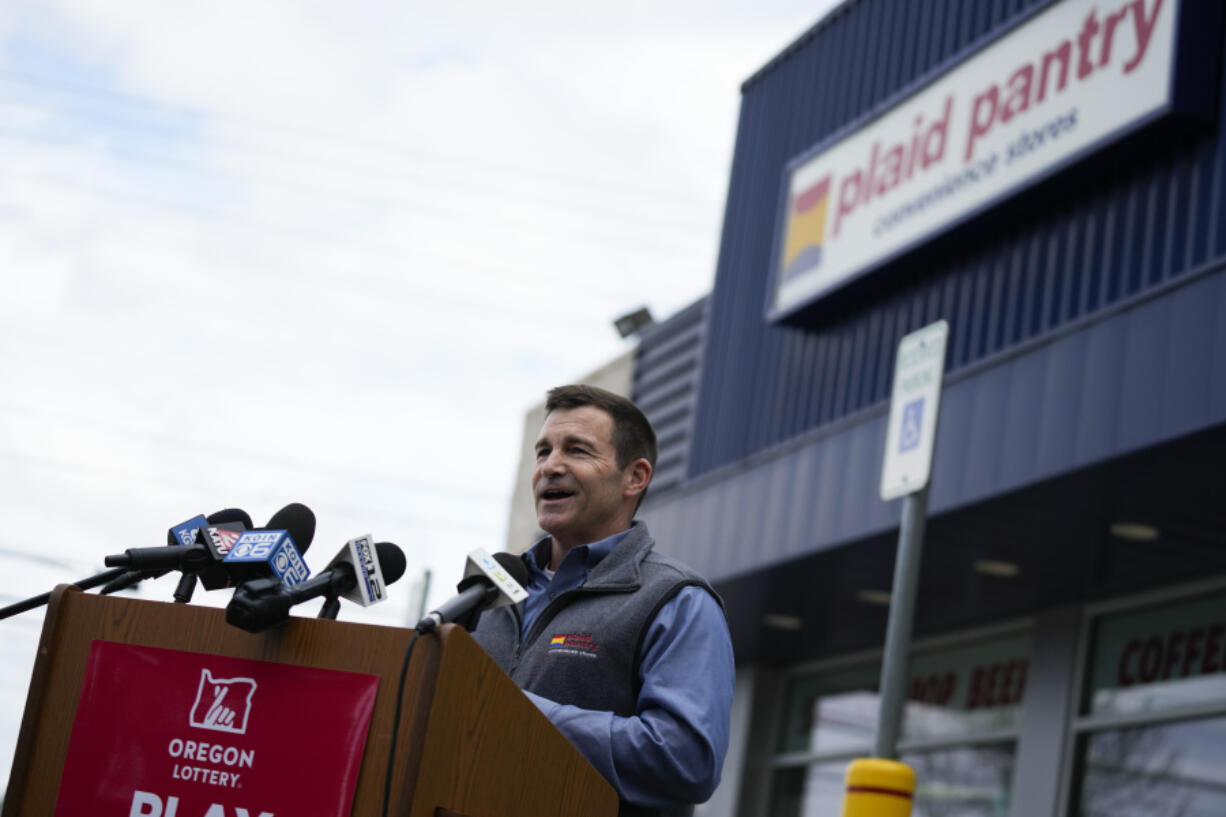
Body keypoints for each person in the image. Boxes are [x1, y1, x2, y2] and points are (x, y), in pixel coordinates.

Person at [472, 384, 735, 817]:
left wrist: (523, 715)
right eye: (543, 452)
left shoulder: (677, 601)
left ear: (635, 477)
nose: (550, 466)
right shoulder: (488, 594)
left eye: (576, 450)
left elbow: (685, 762)